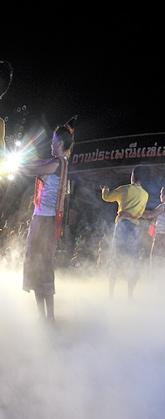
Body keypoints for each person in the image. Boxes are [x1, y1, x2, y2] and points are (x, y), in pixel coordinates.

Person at [18, 119, 76, 320]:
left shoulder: (58, 163)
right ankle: (44, 317)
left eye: (53, 140)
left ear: (60, 142)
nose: (51, 144)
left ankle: (48, 317)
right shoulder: (55, 162)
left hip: (45, 222)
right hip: (42, 220)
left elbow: (34, 168)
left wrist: (18, 163)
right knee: (37, 267)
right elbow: (37, 165)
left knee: (42, 268)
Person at [102, 167, 149, 298]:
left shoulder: (125, 189)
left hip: (122, 227)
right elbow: (139, 213)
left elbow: (107, 197)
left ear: (133, 176)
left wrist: (104, 189)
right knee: (131, 261)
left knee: (115, 260)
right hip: (134, 230)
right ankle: (129, 295)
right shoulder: (145, 195)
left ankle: (111, 295)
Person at [140, 185, 165, 267]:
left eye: (161, 193)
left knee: (154, 258)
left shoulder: (163, 206)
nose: (160, 195)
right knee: (162, 259)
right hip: (164, 236)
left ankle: (154, 276)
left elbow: (150, 215)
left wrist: (137, 212)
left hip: (160, 236)